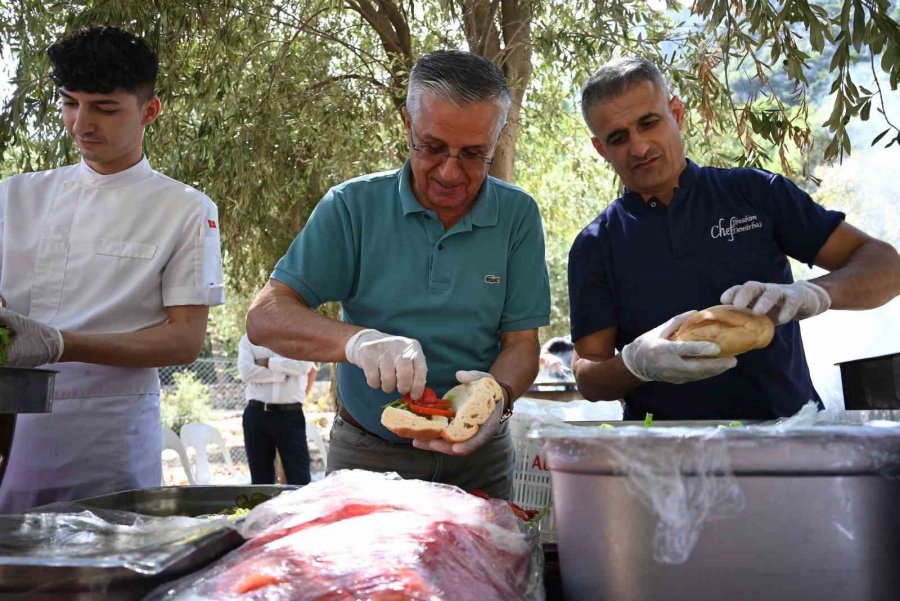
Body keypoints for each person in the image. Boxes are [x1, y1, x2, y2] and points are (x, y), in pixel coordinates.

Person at [246, 50, 551, 499]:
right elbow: (265, 316)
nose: (450, 172)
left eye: (473, 154)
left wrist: (498, 395)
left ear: (497, 139)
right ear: (407, 124)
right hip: (367, 457)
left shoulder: (517, 215)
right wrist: (357, 342)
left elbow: (522, 345)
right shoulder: (353, 206)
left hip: (479, 464)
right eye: (432, 147)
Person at [568, 57, 900, 421]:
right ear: (601, 149)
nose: (639, 147)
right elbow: (589, 375)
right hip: (664, 457)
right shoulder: (597, 244)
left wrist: (813, 294)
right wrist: (638, 362)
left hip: (788, 438)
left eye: (649, 123)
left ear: (676, 113)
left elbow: (887, 266)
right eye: (618, 138)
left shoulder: (755, 193)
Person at [0, 26, 225, 512]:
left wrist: (64, 344)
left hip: (110, 440)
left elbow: (185, 341)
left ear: (149, 111)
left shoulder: (184, 208)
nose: (82, 123)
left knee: (108, 576)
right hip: (11, 431)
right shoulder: (13, 196)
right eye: (70, 103)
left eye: (104, 108)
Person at [237, 333, 317, 485]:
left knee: (299, 477)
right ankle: (261, 509)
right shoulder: (249, 340)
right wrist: (283, 374)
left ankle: (299, 509)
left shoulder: (300, 337)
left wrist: (267, 362)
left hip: (290, 416)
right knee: (260, 479)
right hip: (256, 414)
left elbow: (303, 366)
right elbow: (246, 373)